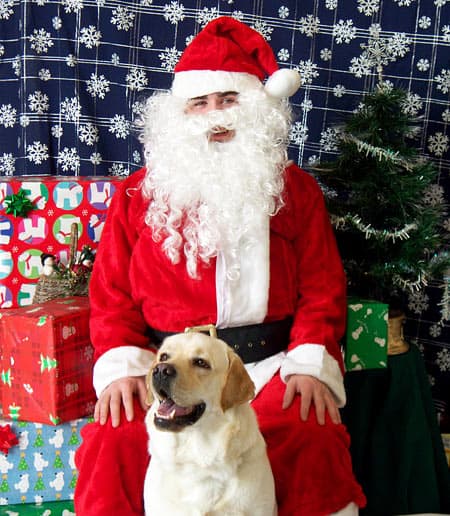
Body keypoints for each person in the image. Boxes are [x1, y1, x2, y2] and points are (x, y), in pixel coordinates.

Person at [75, 16, 366, 516]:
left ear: (255, 107)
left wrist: (310, 364)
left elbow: (322, 289)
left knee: (306, 429)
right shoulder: (135, 196)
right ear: (179, 114)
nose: (216, 116)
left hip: (269, 367)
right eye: (200, 103)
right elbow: (111, 297)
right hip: (165, 365)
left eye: (229, 100)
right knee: (115, 438)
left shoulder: (295, 192)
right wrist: (123, 364)